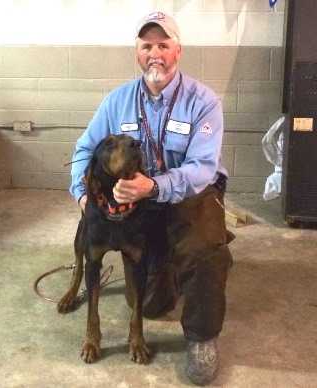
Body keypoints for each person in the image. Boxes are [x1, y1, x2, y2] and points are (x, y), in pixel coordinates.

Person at [70, 11, 234, 386]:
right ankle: (173, 267)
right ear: (137, 53)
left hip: (191, 195)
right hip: (139, 205)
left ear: (178, 51)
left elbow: (203, 168)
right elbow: (83, 150)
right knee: (149, 304)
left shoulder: (203, 101)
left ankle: (202, 336)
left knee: (203, 248)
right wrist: (83, 198)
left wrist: (155, 187)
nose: (155, 53)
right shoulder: (117, 101)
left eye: (163, 45)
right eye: (147, 46)